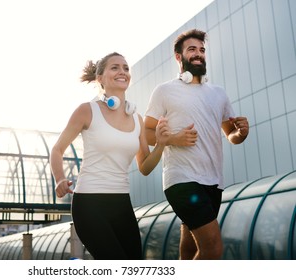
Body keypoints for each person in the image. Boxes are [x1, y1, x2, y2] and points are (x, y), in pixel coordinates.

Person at [50, 52, 168, 260]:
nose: (122, 72)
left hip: (121, 203)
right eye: (115, 67)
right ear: (100, 79)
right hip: (89, 204)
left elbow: (145, 167)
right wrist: (59, 178)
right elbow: (57, 150)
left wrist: (160, 144)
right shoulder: (87, 111)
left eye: (125, 68)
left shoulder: (137, 119)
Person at [144, 29, 249, 260]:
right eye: (192, 49)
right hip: (181, 180)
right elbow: (146, 133)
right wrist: (172, 138)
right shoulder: (164, 91)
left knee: (190, 250)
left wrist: (241, 133)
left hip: (213, 181)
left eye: (202, 50)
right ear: (179, 57)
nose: (199, 54)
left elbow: (230, 134)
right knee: (212, 249)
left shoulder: (218, 93)